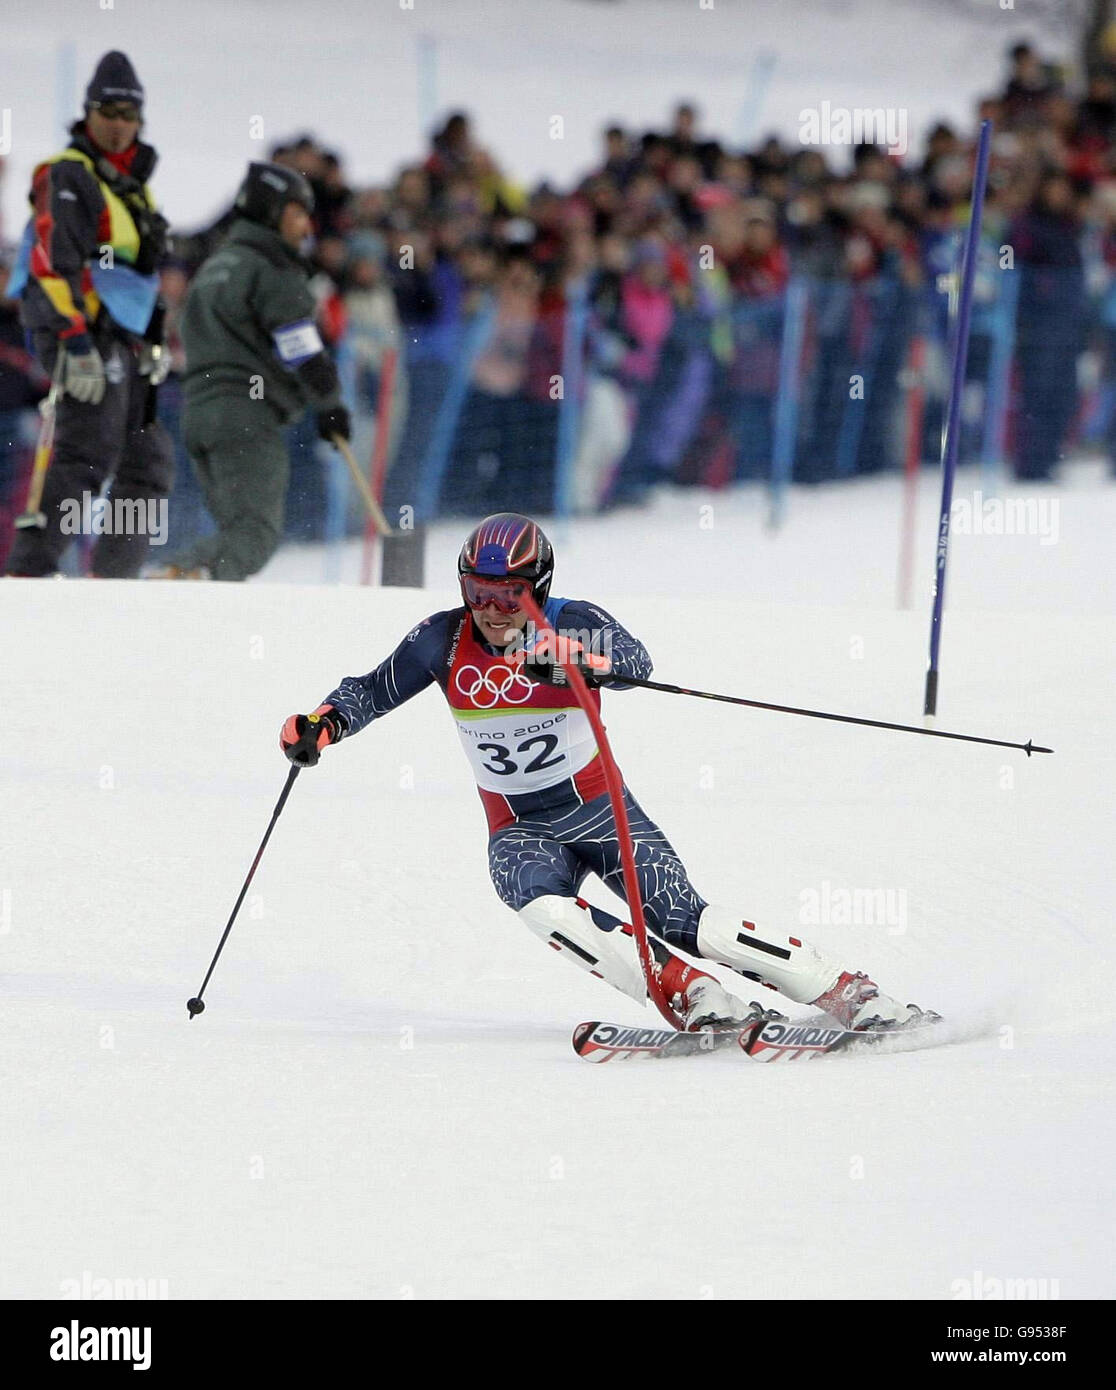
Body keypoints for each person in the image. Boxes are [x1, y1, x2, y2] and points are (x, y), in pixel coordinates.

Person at [280, 513, 935, 1034]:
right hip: (521, 827)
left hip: (601, 810)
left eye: (507, 595)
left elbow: (634, 659)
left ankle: (846, 992)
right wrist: (320, 725)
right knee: (541, 904)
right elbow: (369, 690)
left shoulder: (573, 621)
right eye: (478, 594)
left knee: (688, 920)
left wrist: (575, 659)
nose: (492, 611)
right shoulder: (443, 640)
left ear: (535, 587)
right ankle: (692, 994)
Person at [4, 50, 173, 578]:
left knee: (147, 460)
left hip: (125, 335)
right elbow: (54, 263)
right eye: (109, 113)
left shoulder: (129, 181)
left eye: (130, 116)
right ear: (88, 113)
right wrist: (74, 343)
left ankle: (116, 579)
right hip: (80, 329)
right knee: (88, 450)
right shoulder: (68, 175)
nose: (120, 126)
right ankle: (30, 572)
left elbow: (142, 272)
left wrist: (153, 341)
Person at [154, 161, 350, 580]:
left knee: (234, 529)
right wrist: (330, 405)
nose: (306, 226)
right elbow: (301, 348)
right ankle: (187, 575)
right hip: (244, 414)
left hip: (199, 415)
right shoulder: (271, 268)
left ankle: (186, 583)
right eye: (298, 212)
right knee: (255, 533)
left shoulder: (211, 269)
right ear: (272, 213)